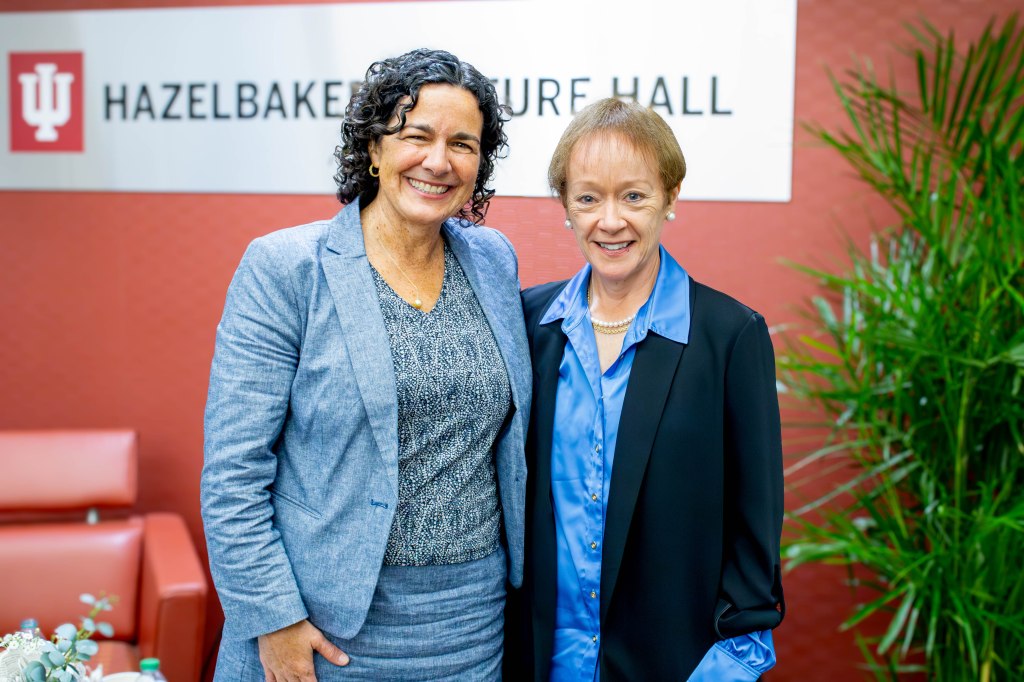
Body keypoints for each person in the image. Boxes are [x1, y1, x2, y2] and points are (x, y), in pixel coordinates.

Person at [201, 48, 531, 681]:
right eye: (417, 136)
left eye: (462, 144)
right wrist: (273, 617)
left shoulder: (493, 260)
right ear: (374, 148)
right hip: (322, 626)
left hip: (471, 622)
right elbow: (233, 472)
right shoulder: (285, 269)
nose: (439, 161)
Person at [516, 98, 785, 680]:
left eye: (634, 196)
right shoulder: (527, 324)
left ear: (671, 195)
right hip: (543, 663)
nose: (610, 221)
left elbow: (755, 532)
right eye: (588, 198)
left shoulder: (730, 337)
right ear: (565, 205)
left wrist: (727, 668)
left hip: (678, 666)